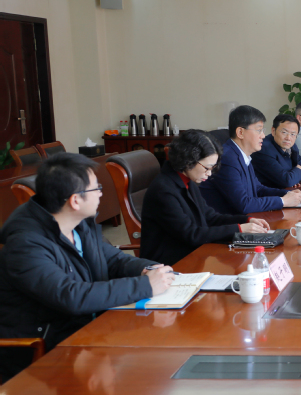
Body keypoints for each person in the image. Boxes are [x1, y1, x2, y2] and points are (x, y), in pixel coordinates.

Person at [0, 153, 175, 382]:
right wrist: (145, 286)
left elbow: (113, 260)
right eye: (97, 188)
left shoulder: (78, 222)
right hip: (45, 351)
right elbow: (70, 296)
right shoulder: (26, 244)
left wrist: (149, 269)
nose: (101, 193)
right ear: (75, 201)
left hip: (89, 329)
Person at [141, 130, 271, 266]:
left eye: (213, 168)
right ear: (188, 161)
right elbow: (191, 234)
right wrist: (239, 229)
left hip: (193, 255)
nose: (209, 174)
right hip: (169, 265)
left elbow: (210, 217)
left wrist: (246, 220)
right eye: (207, 168)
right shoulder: (163, 190)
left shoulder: (188, 181)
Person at [200, 105, 301, 215]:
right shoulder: (227, 158)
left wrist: (287, 194)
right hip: (228, 223)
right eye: (259, 130)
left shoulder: (242, 154)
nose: (263, 136)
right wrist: (283, 201)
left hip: (247, 219)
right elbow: (244, 204)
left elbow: (258, 189)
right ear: (240, 132)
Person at [251, 114, 301, 189]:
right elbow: (287, 181)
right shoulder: (263, 149)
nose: (288, 138)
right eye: (284, 132)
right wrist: (295, 174)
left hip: (287, 191)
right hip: (268, 194)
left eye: (293, 134)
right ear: (273, 131)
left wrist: (294, 178)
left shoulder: (292, 147)